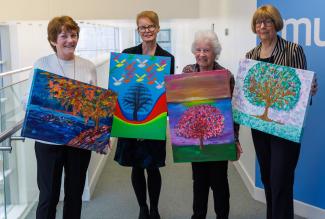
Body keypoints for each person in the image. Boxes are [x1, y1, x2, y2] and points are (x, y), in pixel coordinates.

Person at [246, 5, 318, 219]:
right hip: (259, 127)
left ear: (275, 24)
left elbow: (301, 90)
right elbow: (249, 89)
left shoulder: (292, 50)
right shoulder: (251, 55)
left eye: (267, 21)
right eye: (259, 22)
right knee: (268, 178)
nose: (262, 26)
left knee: (281, 180)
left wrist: (309, 89)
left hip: (285, 130)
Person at [27, 16, 97, 219]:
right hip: (48, 141)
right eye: (64, 36)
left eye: (73, 35)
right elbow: (28, 101)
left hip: (79, 142)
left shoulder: (88, 66)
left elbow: (94, 109)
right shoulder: (42, 64)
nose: (70, 40)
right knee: (48, 195)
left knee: (75, 194)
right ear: (52, 40)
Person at [114, 11, 175, 219]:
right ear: (138, 30)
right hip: (130, 121)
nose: (147, 30)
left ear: (157, 28)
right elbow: (122, 90)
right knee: (136, 167)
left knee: (153, 167)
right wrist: (134, 125)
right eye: (142, 27)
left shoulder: (167, 58)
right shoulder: (127, 54)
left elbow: (165, 93)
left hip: (153, 121)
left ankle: (155, 208)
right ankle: (142, 207)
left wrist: (148, 125)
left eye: (150, 26)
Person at [182, 30, 242, 219]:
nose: (202, 54)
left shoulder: (226, 75)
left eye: (206, 50)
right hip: (195, 138)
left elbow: (233, 111)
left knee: (219, 182)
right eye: (198, 50)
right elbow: (181, 105)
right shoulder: (187, 72)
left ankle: (222, 216)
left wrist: (235, 140)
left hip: (219, 138)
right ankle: (198, 215)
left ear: (215, 52)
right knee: (198, 181)